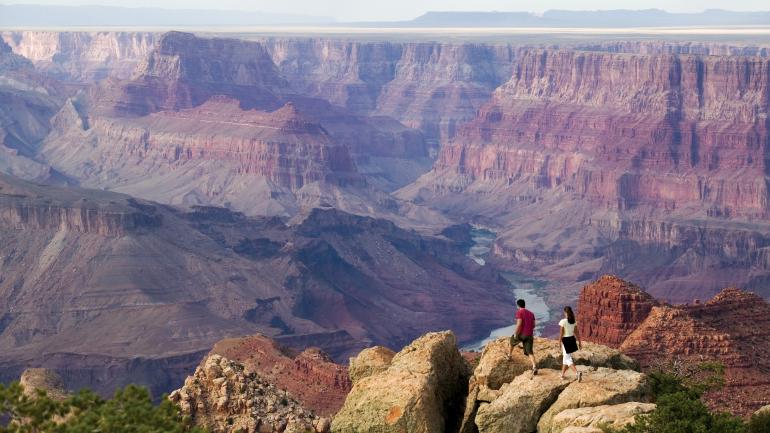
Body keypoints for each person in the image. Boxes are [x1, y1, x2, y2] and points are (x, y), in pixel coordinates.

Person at [511, 299, 537, 376]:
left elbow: (519, 324)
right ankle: (534, 366)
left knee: (512, 340)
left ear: (518, 305)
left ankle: (509, 355)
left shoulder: (519, 312)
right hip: (530, 335)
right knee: (530, 352)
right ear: (524, 304)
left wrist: (515, 333)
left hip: (522, 334)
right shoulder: (531, 313)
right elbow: (534, 325)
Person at [559, 306, 582, 381]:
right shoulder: (574, 321)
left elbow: (561, 333)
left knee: (568, 359)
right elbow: (577, 333)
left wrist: (559, 342)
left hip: (566, 341)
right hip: (572, 340)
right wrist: (580, 342)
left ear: (565, 312)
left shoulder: (563, 321)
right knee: (565, 358)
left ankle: (577, 373)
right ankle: (562, 375)